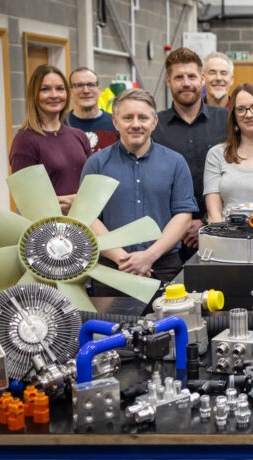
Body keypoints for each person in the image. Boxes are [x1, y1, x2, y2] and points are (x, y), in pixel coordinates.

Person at [81, 88, 197, 301]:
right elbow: (89, 218)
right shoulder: (96, 164)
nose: (136, 124)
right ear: (115, 122)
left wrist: (149, 256)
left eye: (143, 117)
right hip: (111, 270)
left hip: (163, 268)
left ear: (154, 122)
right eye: (128, 118)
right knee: (111, 332)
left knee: (166, 331)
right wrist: (124, 260)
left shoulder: (175, 162)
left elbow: (183, 217)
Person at [153, 47, 228, 259]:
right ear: (168, 81)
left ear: (202, 79)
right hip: (167, 238)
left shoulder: (227, 120)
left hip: (220, 229)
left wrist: (204, 221)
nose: (186, 83)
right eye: (178, 77)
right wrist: (181, 225)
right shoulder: (154, 126)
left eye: (191, 76)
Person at [9, 64, 91, 215]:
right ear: (34, 95)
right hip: (48, 231)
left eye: (60, 88)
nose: (54, 95)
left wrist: (80, 201)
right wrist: (73, 200)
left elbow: (91, 186)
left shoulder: (79, 136)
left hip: (82, 225)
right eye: (45, 89)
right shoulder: (25, 141)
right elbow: (26, 200)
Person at [204, 84, 253, 222]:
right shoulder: (216, 154)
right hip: (226, 238)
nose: (249, 114)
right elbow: (214, 215)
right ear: (233, 115)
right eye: (241, 109)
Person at [67, 67, 118, 152]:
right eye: (79, 85)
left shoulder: (116, 123)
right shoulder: (61, 125)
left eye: (91, 84)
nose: (86, 90)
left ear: (99, 90)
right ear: (71, 92)